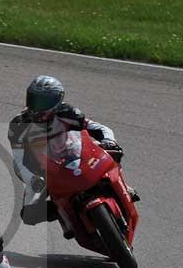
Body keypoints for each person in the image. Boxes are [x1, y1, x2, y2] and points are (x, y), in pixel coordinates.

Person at [8, 75, 139, 229]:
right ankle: (62, 212)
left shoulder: (67, 112)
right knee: (29, 215)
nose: (38, 106)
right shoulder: (18, 125)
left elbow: (100, 129)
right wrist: (32, 178)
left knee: (111, 151)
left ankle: (124, 186)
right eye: (34, 99)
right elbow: (19, 159)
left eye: (44, 102)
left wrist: (109, 141)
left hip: (71, 152)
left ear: (57, 101)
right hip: (39, 168)